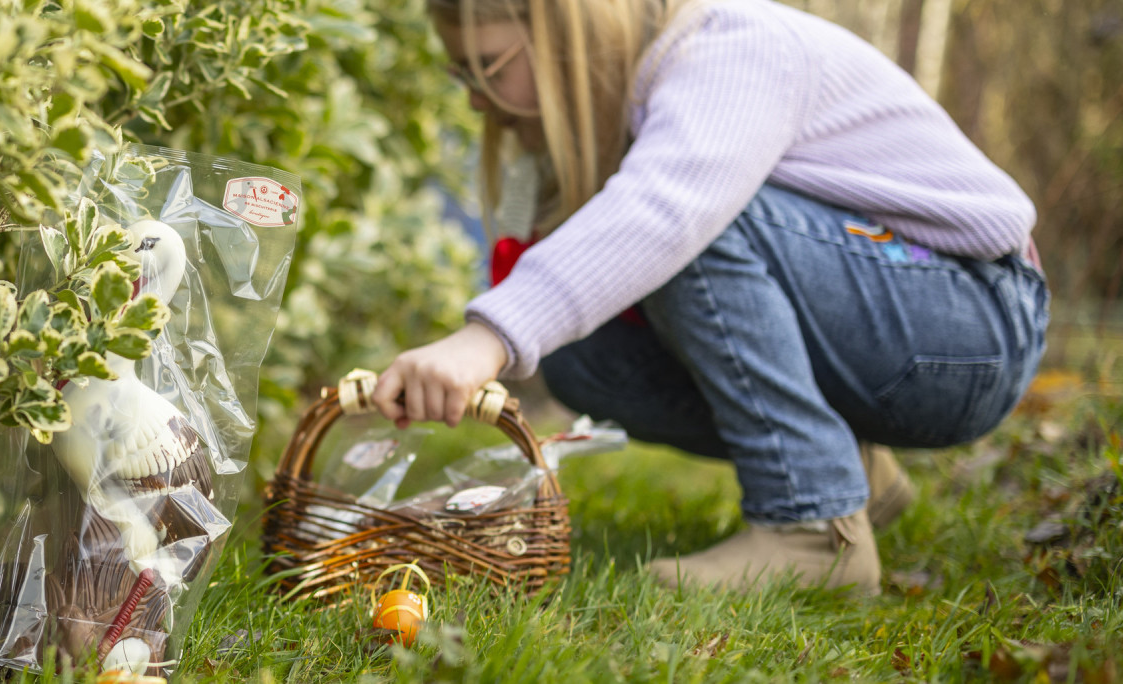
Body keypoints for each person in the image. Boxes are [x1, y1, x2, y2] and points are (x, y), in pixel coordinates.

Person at [373, 0, 1048, 595]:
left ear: (559, 25)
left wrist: (486, 337)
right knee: (583, 355)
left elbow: (666, 210)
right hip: (903, 319)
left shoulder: (730, 46)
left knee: (690, 226)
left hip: (974, 321)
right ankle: (852, 474)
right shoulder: (648, 90)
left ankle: (810, 523)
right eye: (462, 75)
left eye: (487, 66)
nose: (475, 99)